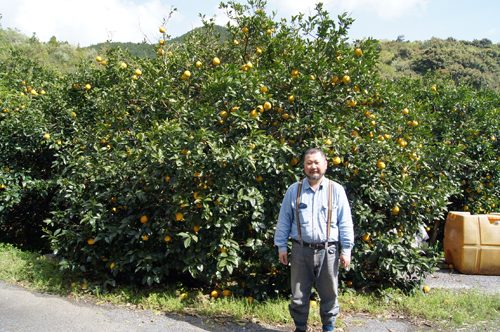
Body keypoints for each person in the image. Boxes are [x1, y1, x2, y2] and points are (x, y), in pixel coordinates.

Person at [274, 148, 354, 332]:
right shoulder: (294, 190)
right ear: (304, 166)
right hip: (301, 250)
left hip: (329, 251)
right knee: (299, 295)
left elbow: (346, 222)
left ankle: (329, 328)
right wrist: (281, 246)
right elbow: (284, 220)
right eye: (309, 163)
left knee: (329, 295)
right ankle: (300, 328)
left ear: (325, 165)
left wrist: (346, 249)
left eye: (317, 162)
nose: (313, 167)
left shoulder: (337, 190)